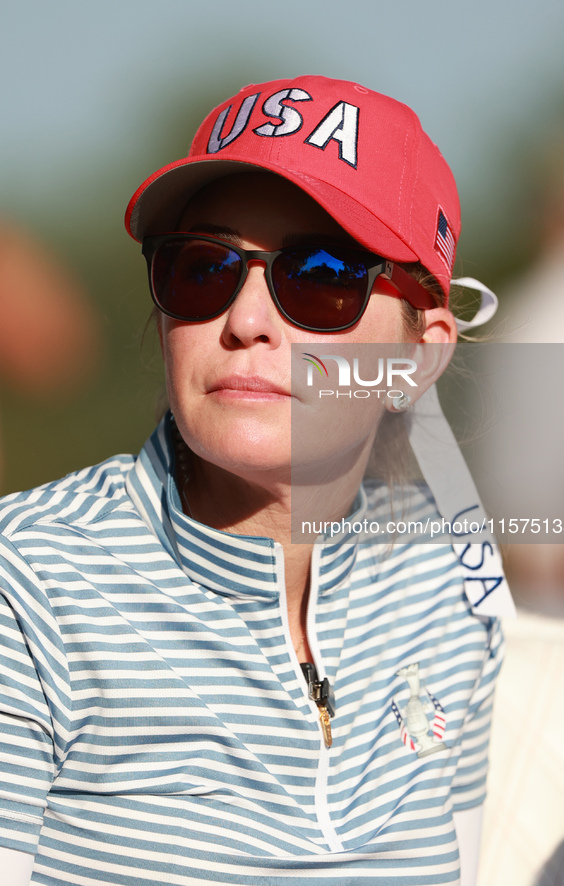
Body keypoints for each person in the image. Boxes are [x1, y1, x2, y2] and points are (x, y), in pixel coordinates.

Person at [0, 76, 514, 886]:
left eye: (320, 275)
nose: (244, 321)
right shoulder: (28, 580)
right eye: (201, 269)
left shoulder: (452, 585)